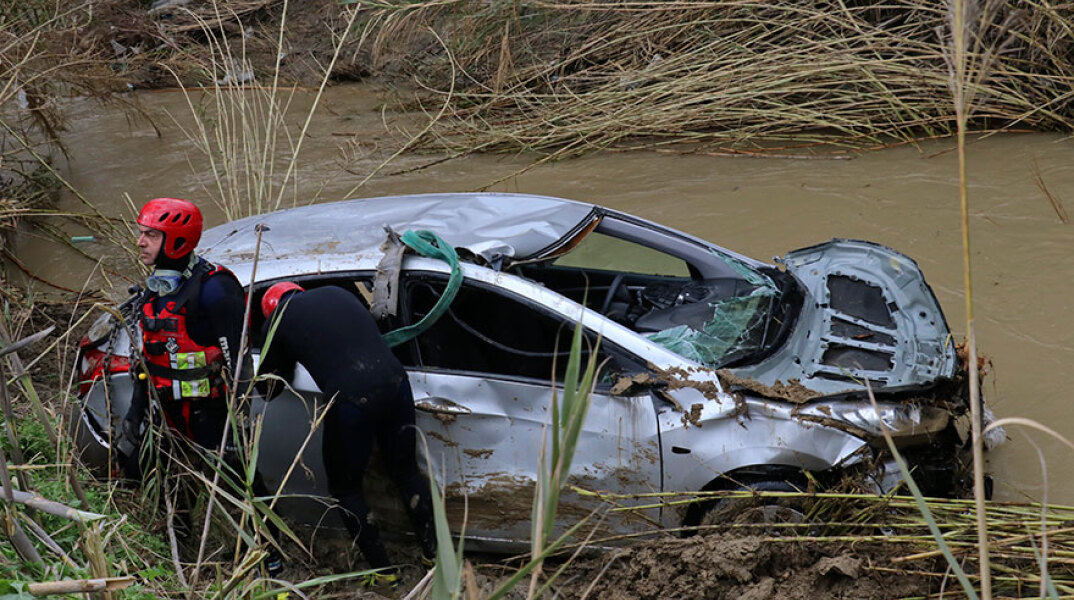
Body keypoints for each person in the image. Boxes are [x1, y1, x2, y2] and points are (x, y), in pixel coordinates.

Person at [121, 197, 282, 575]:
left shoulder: (215, 290)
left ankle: (268, 559)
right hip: (169, 414)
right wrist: (136, 413)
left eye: (150, 235)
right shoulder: (157, 286)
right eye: (141, 233)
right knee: (174, 484)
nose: (140, 242)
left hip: (211, 414)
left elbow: (238, 363)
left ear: (177, 240)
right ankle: (181, 555)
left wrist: (238, 424)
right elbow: (146, 359)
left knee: (242, 487)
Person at [257, 282, 437, 586]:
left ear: (269, 310)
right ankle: (435, 557)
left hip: (353, 399)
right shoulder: (339, 293)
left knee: (345, 489)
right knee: (406, 472)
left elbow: (270, 386)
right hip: (396, 383)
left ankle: (383, 574)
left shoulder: (278, 320)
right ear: (298, 291)